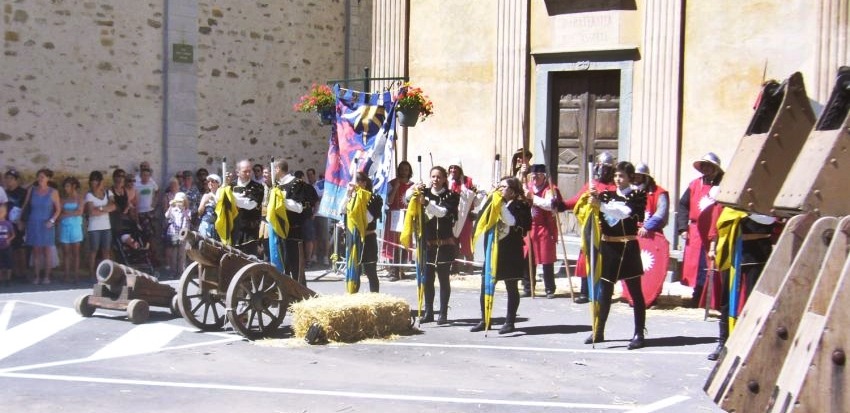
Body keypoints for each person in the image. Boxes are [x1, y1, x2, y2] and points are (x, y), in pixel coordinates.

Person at [582, 161, 648, 349]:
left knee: (635, 292)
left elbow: (623, 213)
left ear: (630, 178)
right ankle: (599, 330)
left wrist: (601, 205)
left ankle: (639, 333)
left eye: (622, 176)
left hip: (628, 248)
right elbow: (594, 215)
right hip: (609, 247)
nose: (618, 180)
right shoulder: (606, 195)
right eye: (617, 176)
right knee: (605, 292)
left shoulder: (638, 195)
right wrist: (591, 203)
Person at [706, 208, 776, 360]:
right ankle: (723, 342)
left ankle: (752, 344)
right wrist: (713, 246)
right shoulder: (729, 206)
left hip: (757, 252)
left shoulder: (764, 202)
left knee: (755, 300)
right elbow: (720, 225)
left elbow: (768, 221)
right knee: (727, 300)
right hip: (732, 251)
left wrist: (748, 213)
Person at [470, 176, 532, 334]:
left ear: (512, 191)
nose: (500, 189)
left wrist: (502, 204)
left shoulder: (521, 205)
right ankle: (485, 319)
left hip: (510, 251)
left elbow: (512, 222)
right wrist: (490, 199)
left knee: (511, 287)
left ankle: (510, 321)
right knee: (486, 285)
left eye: (503, 187)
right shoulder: (495, 200)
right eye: (499, 186)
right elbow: (482, 216)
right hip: (493, 249)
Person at [405, 166, 459, 324]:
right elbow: (407, 198)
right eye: (433, 177)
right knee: (427, 279)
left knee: (443, 278)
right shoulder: (424, 192)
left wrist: (426, 203)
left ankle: (443, 312)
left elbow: (442, 212)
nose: (435, 180)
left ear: (444, 179)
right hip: (427, 243)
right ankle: (428, 311)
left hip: (444, 244)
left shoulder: (451, 196)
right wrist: (414, 188)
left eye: (439, 177)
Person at [565, 151, 618, 303]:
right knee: (585, 258)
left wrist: (599, 198)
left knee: (604, 261)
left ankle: (602, 292)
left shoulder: (614, 188)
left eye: (606, 168)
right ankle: (584, 291)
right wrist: (560, 204)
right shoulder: (591, 185)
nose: (602, 170)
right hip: (590, 228)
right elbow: (576, 200)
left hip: (605, 230)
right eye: (601, 167)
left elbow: (613, 208)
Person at [676, 152, 724, 306]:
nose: (707, 169)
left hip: (716, 228)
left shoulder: (723, 185)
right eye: (704, 166)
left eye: (710, 166)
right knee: (697, 266)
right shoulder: (695, 184)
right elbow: (683, 205)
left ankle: (714, 298)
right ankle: (697, 295)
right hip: (696, 230)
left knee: (713, 263)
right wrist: (683, 227)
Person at [520, 164, 564, 299]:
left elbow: (550, 205)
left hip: (544, 227)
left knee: (546, 259)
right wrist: (521, 174)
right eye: (532, 175)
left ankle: (549, 288)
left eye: (537, 176)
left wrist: (532, 197)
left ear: (543, 176)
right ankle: (528, 287)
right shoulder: (528, 186)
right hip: (529, 226)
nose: (534, 178)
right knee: (528, 258)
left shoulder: (550, 189)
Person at [344, 172, 384, 292]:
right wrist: (348, 196)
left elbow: (367, 219)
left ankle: (374, 300)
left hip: (368, 239)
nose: (354, 184)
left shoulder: (374, 198)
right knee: (354, 272)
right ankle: (353, 299)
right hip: (353, 239)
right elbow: (342, 210)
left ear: (364, 183)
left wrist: (359, 201)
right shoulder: (351, 197)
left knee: (370, 271)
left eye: (357, 181)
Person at [22, 168, 62, 285]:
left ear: (48, 179)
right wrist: (20, 218)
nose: (40, 179)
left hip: (47, 223)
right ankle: (37, 276)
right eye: (39, 176)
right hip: (33, 222)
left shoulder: (53, 192)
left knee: (47, 250)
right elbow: (24, 203)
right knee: (36, 251)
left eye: (43, 177)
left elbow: (58, 209)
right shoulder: (32, 190)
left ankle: (46, 276)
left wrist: (52, 220)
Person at [383, 161, 414, 280]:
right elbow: (389, 201)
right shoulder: (392, 184)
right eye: (401, 169)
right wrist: (396, 187)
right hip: (394, 216)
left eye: (406, 169)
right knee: (394, 242)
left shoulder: (413, 186)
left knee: (404, 242)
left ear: (409, 171)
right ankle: (393, 270)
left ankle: (402, 270)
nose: (403, 172)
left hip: (407, 216)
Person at [447, 159, 477, 274]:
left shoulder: (468, 181)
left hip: (466, 217)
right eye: (451, 168)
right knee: (453, 241)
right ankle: (455, 266)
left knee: (466, 241)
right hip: (452, 217)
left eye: (455, 168)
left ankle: (469, 265)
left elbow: (475, 196)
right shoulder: (447, 181)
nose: (453, 170)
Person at [85, 170, 116, 280]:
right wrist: (106, 209)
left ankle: (106, 273)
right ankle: (91, 273)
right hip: (94, 227)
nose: (94, 185)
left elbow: (113, 206)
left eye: (96, 182)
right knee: (94, 250)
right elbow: (91, 212)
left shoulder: (108, 193)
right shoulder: (89, 195)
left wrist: (101, 208)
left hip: (106, 226)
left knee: (106, 250)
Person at [231, 159, 265, 256]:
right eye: (245, 171)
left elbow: (250, 205)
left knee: (250, 259)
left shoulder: (258, 187)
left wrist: (231, 197)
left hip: (250, 230)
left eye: (249, 171)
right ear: (237, 172)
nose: (248, 173)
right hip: (233, 229)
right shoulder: (229, 186)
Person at [4, 169, 29, 282]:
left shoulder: (23, 193)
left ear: (16, 180)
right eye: (7, 178)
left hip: (19, 224)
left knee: (21, 249)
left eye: (11, 179)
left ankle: (23, 273)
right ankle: (14, 272)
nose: (8, 181)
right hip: (7, 225)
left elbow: (27, 208)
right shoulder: (4, 193)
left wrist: (22, 221)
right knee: (11, 249)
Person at [58, 176, 84, 283]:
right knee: (66, 252)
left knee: (76, 253)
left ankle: (76, 275)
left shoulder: (79, 198)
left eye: (68, 186)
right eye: (65, 186)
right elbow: (59, 214)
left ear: (74, 186)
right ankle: (66, 274)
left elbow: (80, 212)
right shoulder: (63, 199)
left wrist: (66, 214)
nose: (65, 188)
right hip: (65, 227)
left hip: (76, 227)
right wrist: (71, 213)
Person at [634, 163, 669, 237]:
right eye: (634, 176)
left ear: (645, 177)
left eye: (638, 176)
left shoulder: (659, 193)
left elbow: (661, 213)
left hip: (652, 234)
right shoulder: (631, 191)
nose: (636, 179)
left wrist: (646, 226)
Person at [134, 166, 159, 265]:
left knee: (152, 235)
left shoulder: (152, 183)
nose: (146, 177)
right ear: (141, 176)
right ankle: (145, 257)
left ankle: (152, 257)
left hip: (149, 212)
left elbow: (157, 191)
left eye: (147, 175)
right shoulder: (137, 184)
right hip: (140, 212)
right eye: (144, 175)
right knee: (144, 235)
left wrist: (154, 203)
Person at [163, 192, 190, 278]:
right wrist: (171, 206)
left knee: (181, 254)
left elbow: (187, 221)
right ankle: (173, 272)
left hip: (182, 234)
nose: (179, 203)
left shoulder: (187, 211)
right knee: (174, 254)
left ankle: (181, 272)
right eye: (178, 201)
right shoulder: (173, 209)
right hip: (173, 233)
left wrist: (184, 210)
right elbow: (167, 216)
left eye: (181, 201)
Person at [197, 173, 222, 240]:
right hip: (206, 225)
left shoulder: (221, 196)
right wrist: (204, 202)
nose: (210, 183)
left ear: (218, 184)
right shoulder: (206, 196)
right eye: (209, 181)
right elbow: (199, 212)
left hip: (217, 227)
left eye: (213, 181)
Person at [0, 203, 16, 287]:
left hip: (6, 246)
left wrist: (9, 239)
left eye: (2, 211)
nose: (0, 213)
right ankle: (1, 279)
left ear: (5, 213)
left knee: (8, 263)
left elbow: (13, 234)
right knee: (1, 264)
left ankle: (8, 279)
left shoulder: (8, 223)